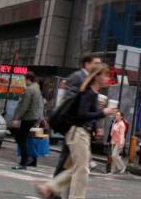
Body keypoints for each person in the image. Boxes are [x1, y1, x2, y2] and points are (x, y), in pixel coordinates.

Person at [36, 63, 116, 199]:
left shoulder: (93, 94)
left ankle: (49, 187)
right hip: (79, 133)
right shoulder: (88, 93)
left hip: (82, 134)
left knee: (76, 167)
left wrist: (96, 127)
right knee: (82, 170)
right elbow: (81, 114)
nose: (107, 78)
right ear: (97, 76)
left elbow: (87, 115)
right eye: (105, 75)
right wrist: (103, 112)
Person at [53, 54, 102, 180]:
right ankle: (53, 188)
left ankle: (55, 187)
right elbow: (71, 98)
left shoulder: (91, 79)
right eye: (95, 63)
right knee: (67, 157)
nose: (98, 66)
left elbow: (92, 106)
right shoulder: (78, 76)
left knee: (71, 160)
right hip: (74, 124)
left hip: (83, 125)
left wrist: (96, 125)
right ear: (87, 64)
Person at [12, 71, 43, 170]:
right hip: (33, 117)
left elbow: (24, 106)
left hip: (28, 117)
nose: (24, 82)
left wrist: (17, 118)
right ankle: (28, 160)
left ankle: (24, 162)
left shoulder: (29, 90)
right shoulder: (37, 88)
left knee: (21, 138)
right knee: (22, 138)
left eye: (25, 79)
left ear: (28, 79)